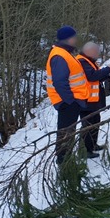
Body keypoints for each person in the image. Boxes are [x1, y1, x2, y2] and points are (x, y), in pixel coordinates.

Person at [45, 26, 90, 164]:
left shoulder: (64, 53)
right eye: (74, 37)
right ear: (69, 39)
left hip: (71, 101)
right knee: (66, 133)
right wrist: (70, 101)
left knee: (68, 132)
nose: (76, 40)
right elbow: (59, 82)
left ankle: (66, 160)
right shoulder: (59, 56)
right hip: (67, 102)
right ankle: (64, 162)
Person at [76, 42, 110, 158]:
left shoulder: (89, 61)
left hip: (93, 99)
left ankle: (92, 145)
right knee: (87, 125)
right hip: (86, 99)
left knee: (95, 122)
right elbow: (92, 76)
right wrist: (107, 69)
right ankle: (85, 150)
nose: (97, 55)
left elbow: (97, 77)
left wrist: (108, 73)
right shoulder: (82, 61)